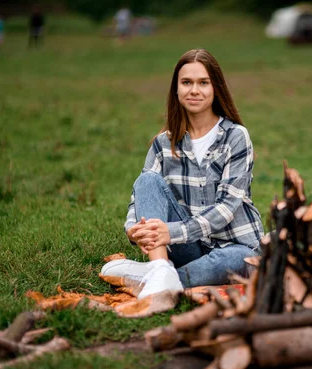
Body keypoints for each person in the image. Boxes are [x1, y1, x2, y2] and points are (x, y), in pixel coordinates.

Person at [102, 49, 264, 299]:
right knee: (147, 180)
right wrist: (133, 229)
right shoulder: (162, 143)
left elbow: (227, 208)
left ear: (216, 88)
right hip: (187, 248)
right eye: (186, 82)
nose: (194, 90)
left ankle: (156, 276)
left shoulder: (235, 137)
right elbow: (142, 195)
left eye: (203, 83)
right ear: (176, 90)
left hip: (235, 246)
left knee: (233, 260)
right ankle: (159, 268)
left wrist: (171, 232)